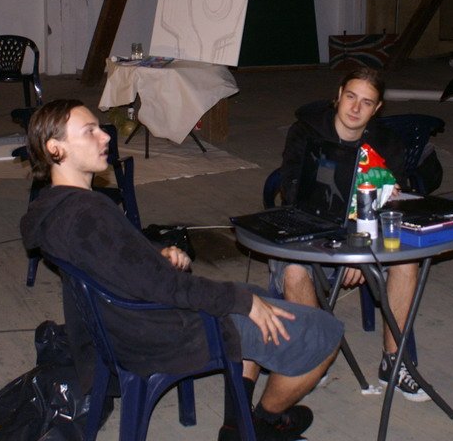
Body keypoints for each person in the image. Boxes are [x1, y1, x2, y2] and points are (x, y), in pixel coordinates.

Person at [21, 100, 342, 441]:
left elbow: (115, 260)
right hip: (158, 333)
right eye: (90, 132)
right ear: (55, 148)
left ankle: (237, 425)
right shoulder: (89, 216)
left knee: (258, 296)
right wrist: (240, 301)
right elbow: (166, 287)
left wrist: (153, 253)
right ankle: (263, 423)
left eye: (100, 128)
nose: (105, 137)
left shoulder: (55, 208)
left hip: (119, 326)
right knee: (323, 331)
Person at [273, 68, 429, 402]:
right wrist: (348, 247)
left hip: (365, 235)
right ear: (339, 95)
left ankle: (393, 362)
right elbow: (293, 194)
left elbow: (390, 206)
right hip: (311, 229)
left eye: (367, 102)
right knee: (294, 272)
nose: (356, 108)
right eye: (351, 97)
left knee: (407, 262)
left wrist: (359, 245)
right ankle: (314, 359)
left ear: (377, 108)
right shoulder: (306, 132)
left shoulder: (387, 143)